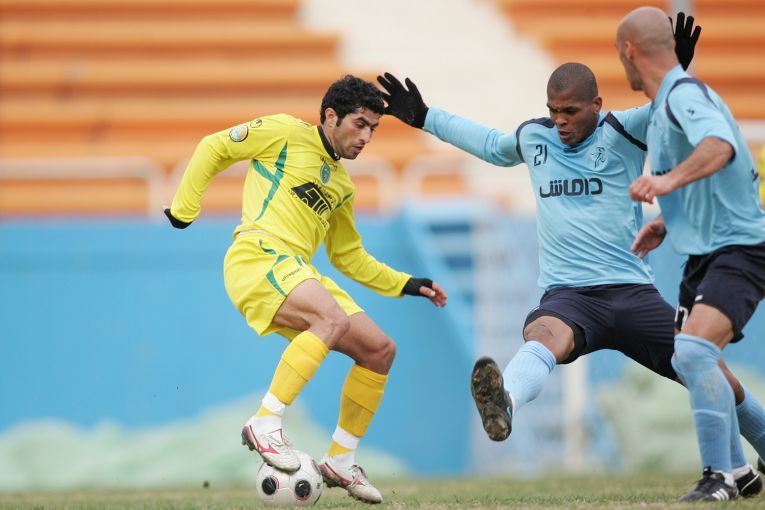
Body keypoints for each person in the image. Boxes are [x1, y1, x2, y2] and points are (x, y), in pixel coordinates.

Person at [377, 12, 765, 499]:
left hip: (630, 292)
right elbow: (491, 145)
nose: (560, 121)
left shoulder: (625, 129)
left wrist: (674, 71)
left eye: (571, 111)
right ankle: (506, 401)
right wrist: (426, 117)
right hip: (570, 296)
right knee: (542, 335)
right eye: (553, 110)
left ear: (596, 106)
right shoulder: (535, 138)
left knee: (704, 367)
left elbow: (670, 110)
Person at [164, 74, 448, 504]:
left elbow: (349, 257)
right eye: (360, 124)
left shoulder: (342, 185)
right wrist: (185, 209)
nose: (366, 137)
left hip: (298, 269)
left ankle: (340, 459)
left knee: (379, 351)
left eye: (374, 128)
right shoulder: (284, 132)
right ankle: (265, 421)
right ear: (331, 116)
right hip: (258, 256)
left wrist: (407, 283)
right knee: (330, 319)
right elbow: (214, 147)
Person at [616, 6, 765, 501]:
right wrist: (667, 219)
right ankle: (741, 468)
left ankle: (719, 476)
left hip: (739, 248)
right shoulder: (670, 101)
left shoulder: (681, 95)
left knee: (695, 351)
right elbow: (714, 170)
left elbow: (719, 146)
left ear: (629, 51)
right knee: (691, 360)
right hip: (705, 250)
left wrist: (665, 182)